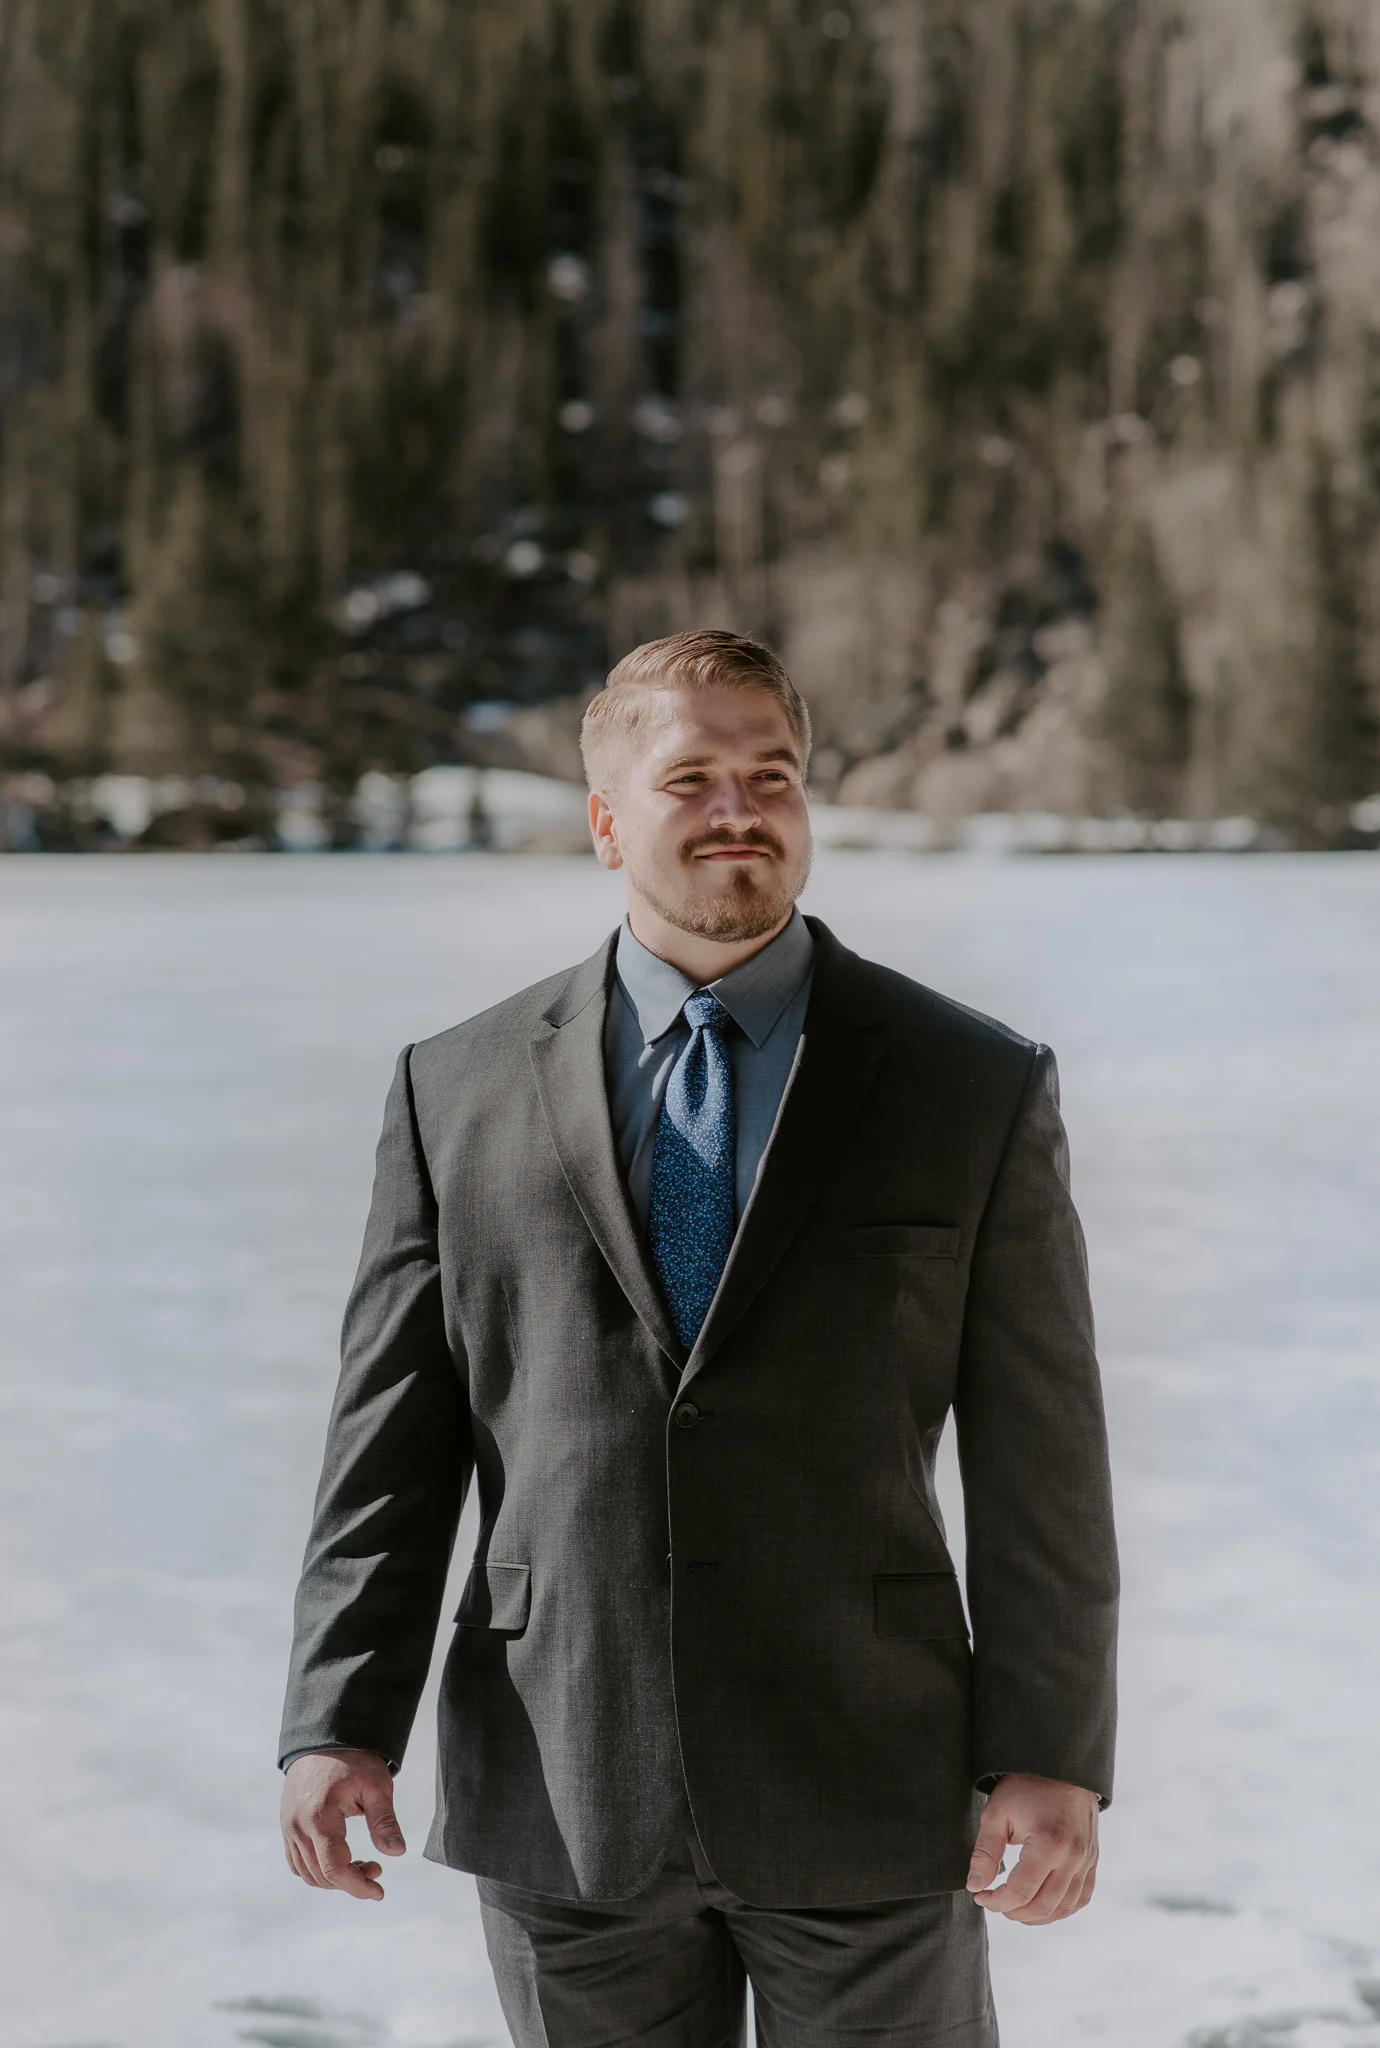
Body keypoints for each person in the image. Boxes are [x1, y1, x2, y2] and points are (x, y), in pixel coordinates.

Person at [278, 629, 1118, 2048]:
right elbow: (393, 1447)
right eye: (693, 779)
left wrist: (1052, 1752)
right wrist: (335, 1718)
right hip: (565, 1781)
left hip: (871, 1778)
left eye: (771, 773)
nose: (740, 807)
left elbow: (1049, 1460)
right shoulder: (455, 1090)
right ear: (606, 822)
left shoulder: (970, 1084)